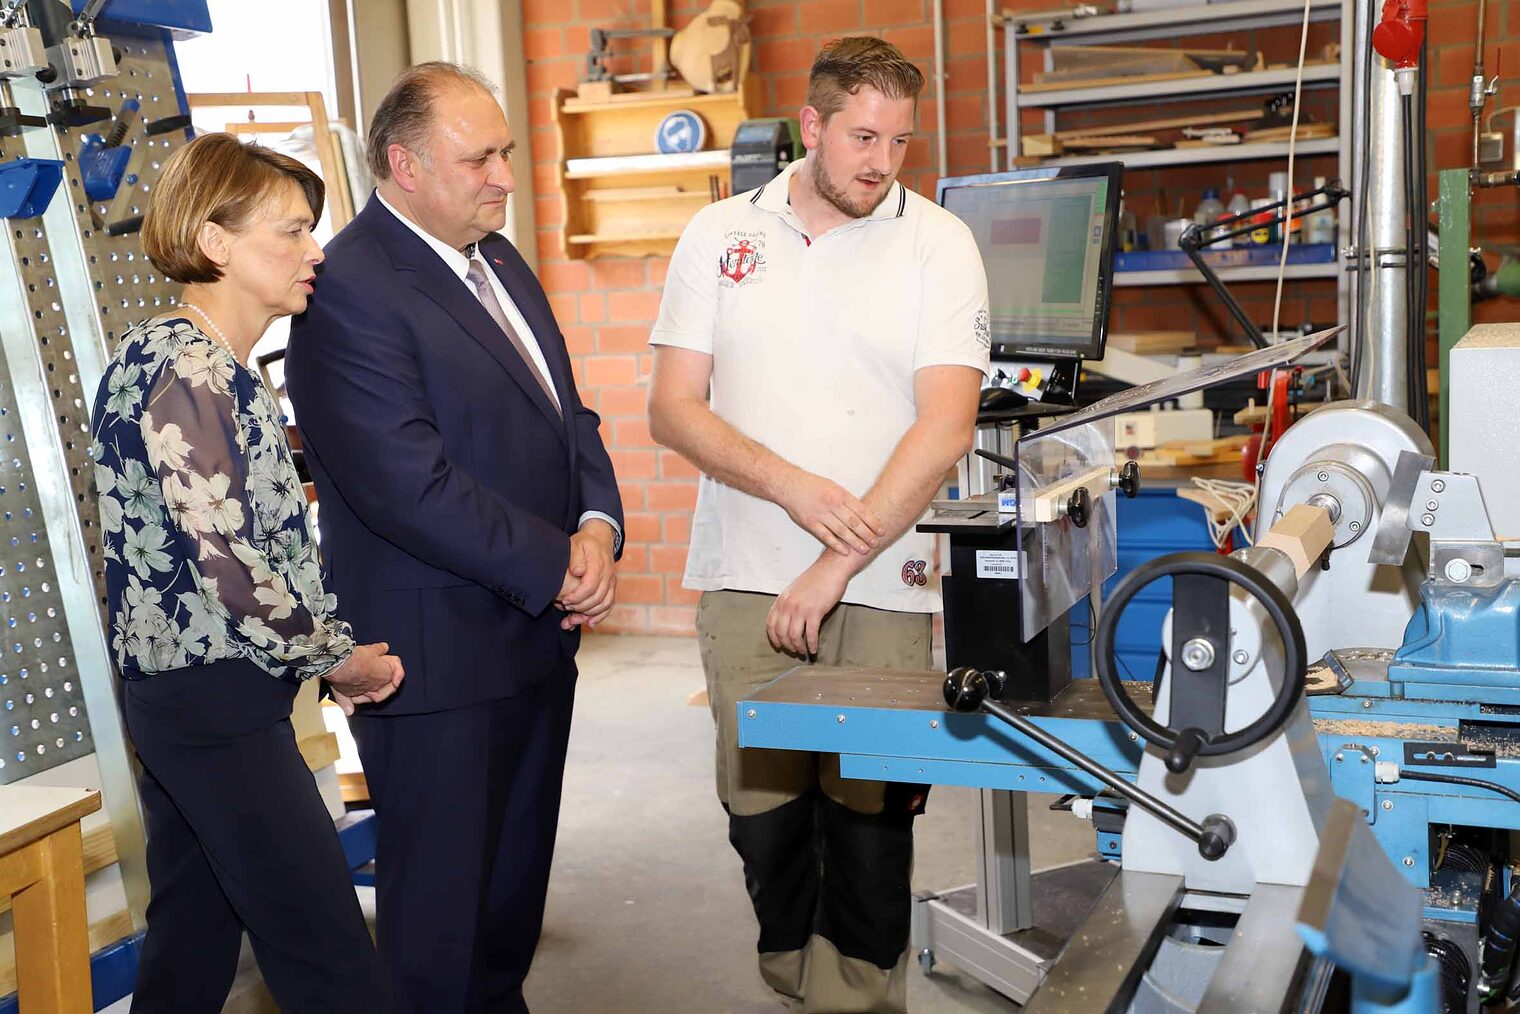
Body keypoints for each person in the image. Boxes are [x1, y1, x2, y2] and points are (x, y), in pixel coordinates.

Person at [648, 36, 991, 1014]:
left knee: (868, 815)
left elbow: (944, 425)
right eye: (861, 137)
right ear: (810, 126)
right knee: (759, 815)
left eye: (899, 142)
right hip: (743, 572)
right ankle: (795, 981)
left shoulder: (936, 243)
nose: (880, 162)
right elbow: (673, 409)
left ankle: (862, 995)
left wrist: (836, 559)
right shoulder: (718, 236)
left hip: (881, 580)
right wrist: (795, 489)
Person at [285, 61, 622, 1013]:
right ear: (404, 164)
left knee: (506, 912)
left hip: (531, 639)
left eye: (506, 152)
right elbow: (409, 485)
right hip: (435, 665)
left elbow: (568, 417)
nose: (505, 176)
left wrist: (597, 524)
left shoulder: (497, 260)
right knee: (438, 935)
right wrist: (558, 563)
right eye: (480, 157)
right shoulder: (348, 287)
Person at [88, 132, 402, 1013]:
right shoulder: (187, 369)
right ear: (217, 243)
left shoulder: (202, 363)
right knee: (328, 953)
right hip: (213, 700)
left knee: (191, 938)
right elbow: (231, 563)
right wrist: (340, 658)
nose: (315, 251)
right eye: (291, 232)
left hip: (199, 693)